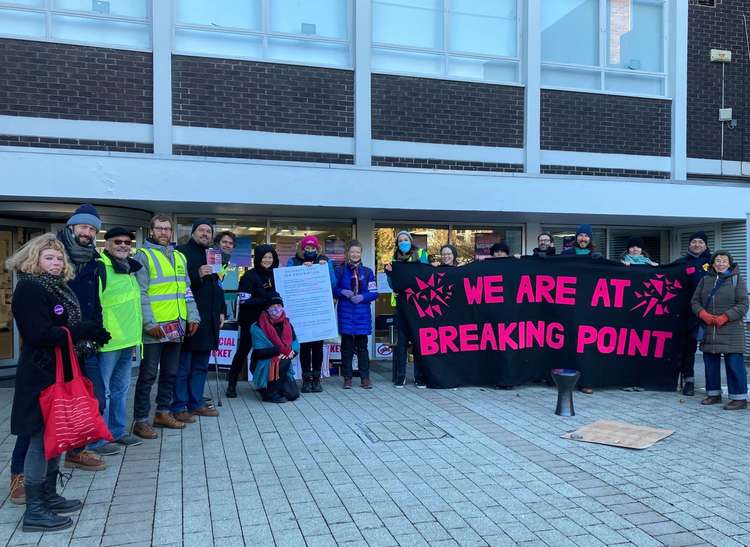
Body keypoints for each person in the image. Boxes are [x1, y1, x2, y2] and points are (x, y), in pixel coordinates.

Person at [6, 234, 109, 532]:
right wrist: (79, 330)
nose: (55, 262)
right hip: (40, 374)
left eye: (59, 258)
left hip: (59, 370)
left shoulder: (55, 286)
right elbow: (39, 335)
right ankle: (34, 510)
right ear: (33, 259)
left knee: (57, 437)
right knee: (39, 440)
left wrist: (85, 333)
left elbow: (60, 328)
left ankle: (49, 496)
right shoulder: (29, 288)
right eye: (48, 257)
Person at [132, 214, 200, 439]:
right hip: (155, 328)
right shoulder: (143, 256)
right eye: (159, 228)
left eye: (167, 229)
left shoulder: (180, 257)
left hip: (176, 325)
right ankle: (140, 421)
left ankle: (163, 412)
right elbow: (140, 292)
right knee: (148, 375)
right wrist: (149, 323)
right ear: (151, 230)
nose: (163, 232)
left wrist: (193, 317)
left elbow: (186, 290)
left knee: (170, 373)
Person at [57, 204, 108, 471]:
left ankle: (77, 450)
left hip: (86, 344)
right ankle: (25, 471)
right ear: (71, 227)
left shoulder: (93, 260)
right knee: (53, 406)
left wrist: (97, 330)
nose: (87, 232)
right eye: (83, 226)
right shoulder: (55, 256)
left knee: (96, 398)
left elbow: (94, 301)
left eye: (92, 228)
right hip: (57, 344)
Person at [88, 228, 144, 456]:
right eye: (117, 241)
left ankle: (117, 432)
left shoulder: (129, 268)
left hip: (128, 339)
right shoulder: (100, 267)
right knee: (104, 393)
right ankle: (97, 440)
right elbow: (95, 303)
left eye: (127, 242)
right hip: (108, 342)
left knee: (121, 389)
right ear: (107, 244)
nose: (123, 245)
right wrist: (98, 333)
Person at [172, 219, 225, 421]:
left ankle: (196, 403)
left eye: (208, 232)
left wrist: (221, 310)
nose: (205, 234)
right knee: (184, 366)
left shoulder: (214, 254)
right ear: (193, 232)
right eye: (201, 230)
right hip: (190, 318)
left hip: (210, 318)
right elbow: (178, 285)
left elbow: (217, 285)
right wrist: (197, 274)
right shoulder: (182, 252)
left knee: (201, 365)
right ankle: (179, 406)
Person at [691, 251, 748, 410]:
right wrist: (703, 314)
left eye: (724, 261)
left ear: (730, 263)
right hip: (710, 328)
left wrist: (725, 317)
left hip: (731, 329)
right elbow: (695, 301)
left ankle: (739, 398)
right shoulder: (705, 279)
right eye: (717, 260)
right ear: (712, 263)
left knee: (734, 364)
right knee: (711, 364)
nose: (721, 263)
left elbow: (743, 304)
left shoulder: (737, 280)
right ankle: (713, 394)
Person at [226, 244, 279, 398]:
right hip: (251, 321)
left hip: (270, 322)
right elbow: (244, 301)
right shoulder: (249, 276)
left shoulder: (276, 275)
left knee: (266, 353)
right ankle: (231, 383)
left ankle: (265, 382)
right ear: (258, 258)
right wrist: (265, 299)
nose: (267, 260)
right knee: (243, 352)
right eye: (264, 257)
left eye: (270, 257)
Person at [286, 235, 335, 393]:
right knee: (305, 347)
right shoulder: (293, 261)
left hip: (318, 310)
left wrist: (324, 267)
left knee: (318, 347)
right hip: (301, 311)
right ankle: (306, 380)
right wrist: (300, 270)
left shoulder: (325, 260)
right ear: (302, 248)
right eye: (307, 248)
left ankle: (317, 379)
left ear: (317, 248)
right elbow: (286, 281)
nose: (310, 250)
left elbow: (333, 284)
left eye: (313, 248)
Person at [384, 231, 429, 387]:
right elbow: (392, 284)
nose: (403, 242)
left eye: (406, 240)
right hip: (400, 306)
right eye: (400, 240)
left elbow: (425, 276)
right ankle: (400, 376)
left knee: (418, 343)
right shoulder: (394, 260)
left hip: (417, 305)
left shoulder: (421, 254)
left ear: (410, 241)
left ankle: (419, 377)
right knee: (401, 343)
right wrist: (389, 273)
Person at [561, 224, 601, 394]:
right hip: (568, 305)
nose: (583, 238)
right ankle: (565, 378)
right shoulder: (565, 255)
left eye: (586, 236)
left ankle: (586, 381)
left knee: (586, 345)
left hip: (588, 307)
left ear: (590, 239)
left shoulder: (596, 257)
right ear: (576, 237)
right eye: (580, 235)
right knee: (568, 342)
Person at [671, 231, 712, 396]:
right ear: (689, 244)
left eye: (700, 242)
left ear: (706, 245)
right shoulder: (681, 263)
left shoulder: (713, 263)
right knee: (687, 348)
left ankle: (713, 385)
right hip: (685, 312)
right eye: (694, 241)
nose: (697, 245)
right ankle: (688, 380)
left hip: (708, 313)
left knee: (711, 349)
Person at [334, 241, 378, 389]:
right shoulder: (340, 270)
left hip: (362, 315)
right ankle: (347, 378)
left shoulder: (368, 272)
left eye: (357, 252)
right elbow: (333, 289)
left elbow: (373, 293)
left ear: (361, 253)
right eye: (352, 252)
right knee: (346, 348)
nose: (355, 254)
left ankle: (365, 378)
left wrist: (363, 297)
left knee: (362, 348)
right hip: (346, 313)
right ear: (348, 253)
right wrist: (342, 292)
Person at [250, 293, 300, 403]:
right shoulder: (257, 327)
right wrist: (279, 351)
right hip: (262, 363)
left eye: (279, 305)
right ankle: (269, 394)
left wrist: (293, 351)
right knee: (284, 361)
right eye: (272, 306)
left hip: (282, 362)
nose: (276, 309)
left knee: (293, 395)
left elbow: (295, 342)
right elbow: (259, 352)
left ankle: (272, 388)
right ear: (267, 309)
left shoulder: (287, 323)